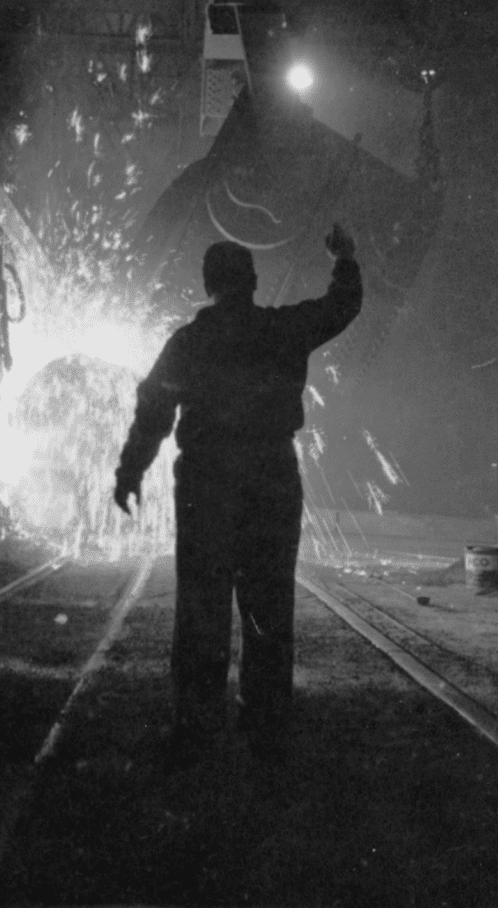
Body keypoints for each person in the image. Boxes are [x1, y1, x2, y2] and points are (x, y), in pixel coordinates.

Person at [114, 223, 362, 768]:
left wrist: (129, 471)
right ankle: (266, 723)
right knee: (269, 604)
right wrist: (343, 256)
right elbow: (342, 305)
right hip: (272, 477)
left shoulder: (188, 341)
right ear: (252, 281)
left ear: (208, 285)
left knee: (201, 606)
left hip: (206, 483)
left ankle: (197, 725)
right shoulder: (285, 329)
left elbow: (153, 411)